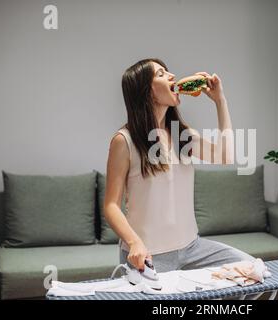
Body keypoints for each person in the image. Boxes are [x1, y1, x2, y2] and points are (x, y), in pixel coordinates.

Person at [104, 58, 254, 274]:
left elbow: (226, 155)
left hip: (192, 247)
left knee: (251, 273)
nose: (172, 76)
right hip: (148, 254)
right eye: (161, 74)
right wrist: (134, 242)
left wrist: (220, 101)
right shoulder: (124, 140)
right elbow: (111, 205)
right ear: (146, 91)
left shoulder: (182, 135)